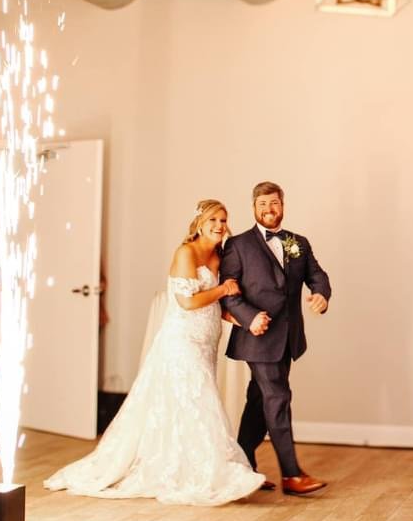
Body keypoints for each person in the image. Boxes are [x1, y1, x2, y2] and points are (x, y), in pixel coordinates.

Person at [44, 200, 264, 504]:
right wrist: (223, 289)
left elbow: (218, 303)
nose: (219, 225)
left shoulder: (220, 254)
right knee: (198, 400)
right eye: (213, 219)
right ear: (200, 223)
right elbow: (187, 301)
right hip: (182, 339)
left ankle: (187, 466)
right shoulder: (185, 252)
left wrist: (241, 318)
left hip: (207, 340)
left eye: (223, 220)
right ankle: (210, 471)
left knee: (186, 402)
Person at [221, 182, 332, 496]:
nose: (269, 209)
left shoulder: (298, 242)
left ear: (282, 205)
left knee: (259, 400)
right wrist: (250, 317)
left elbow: (317, 275)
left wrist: (321, 294)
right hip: (257, 338)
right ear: (253, 208)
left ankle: (242, 467)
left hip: (288, 338)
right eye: (262, 204)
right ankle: (292, 475)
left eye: (274, 203)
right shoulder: (238, 245)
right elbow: (228, 292)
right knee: (278, 398)